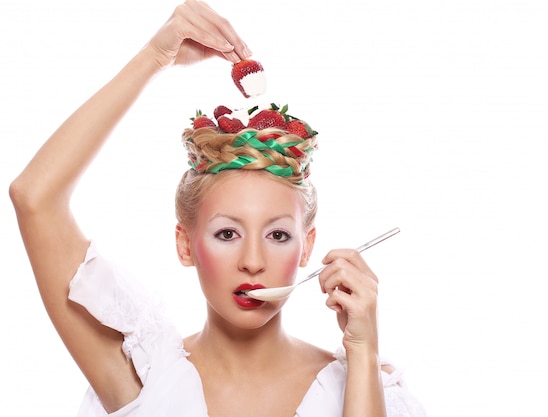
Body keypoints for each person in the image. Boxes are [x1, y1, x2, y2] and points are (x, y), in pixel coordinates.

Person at [9, 1, 425, 416]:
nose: (252, 262)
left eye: (277, 235)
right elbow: (34, 198)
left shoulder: (368, 386)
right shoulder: (144, 375)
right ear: (185, 245)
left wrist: (363, 353)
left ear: (306, 245)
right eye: (227, 233)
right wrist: (155, 57)